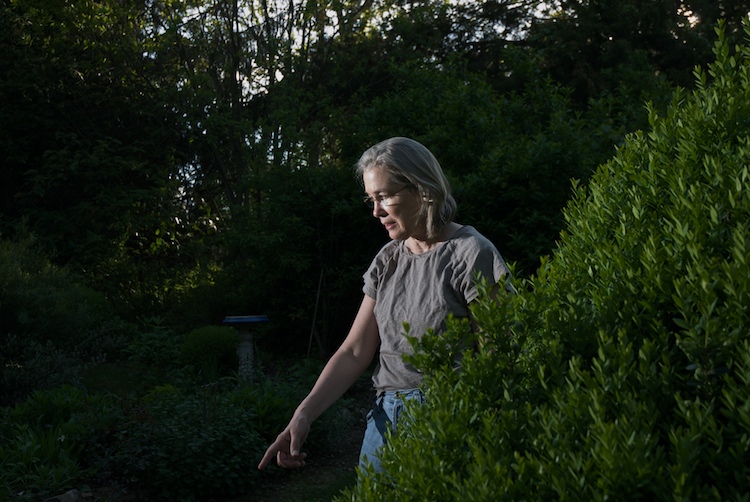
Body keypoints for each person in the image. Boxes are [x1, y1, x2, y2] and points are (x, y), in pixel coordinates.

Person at [257, 137, 509, 474]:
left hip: (450, 419)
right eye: (371, 199)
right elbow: (355, 351)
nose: (375, 211)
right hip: (385, 420)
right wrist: (302, 415)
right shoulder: (387, 260)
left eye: (385, 196)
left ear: (423, 189)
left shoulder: (471, 253)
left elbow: (499, 355)